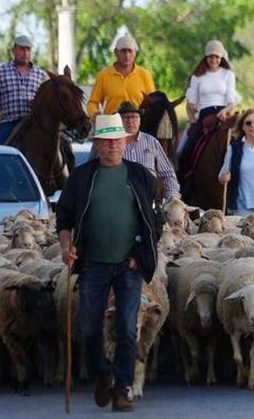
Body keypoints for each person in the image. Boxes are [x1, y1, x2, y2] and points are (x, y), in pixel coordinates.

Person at [55, 113, 157, 413]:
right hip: (93, 265)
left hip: (128, 265)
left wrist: (142, 255)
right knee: (89, 329)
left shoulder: (140, 176)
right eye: (106, 141)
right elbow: (64, 217)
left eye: (117, 140)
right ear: (97, 144)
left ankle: (123, 388)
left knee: (127, 329)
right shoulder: (81, 177)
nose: (112, 146)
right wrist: (66, 247)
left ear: (125, 142)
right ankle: (104, 373)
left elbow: (154, 220)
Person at [178, 40, 240, 175]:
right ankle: (185, 177)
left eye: (217, 57)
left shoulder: (228, 74)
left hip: (224, 114)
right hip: (205, 114)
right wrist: (192, 115)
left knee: (239, 137)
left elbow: (231, 101)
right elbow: (191, 102)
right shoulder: (197, 76)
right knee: (186, 146)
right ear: (206, 57)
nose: (214, 59)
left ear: (221, 58)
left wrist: (225, 111)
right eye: (211, 56)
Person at [0, 35, 48, 145]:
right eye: (22, 49)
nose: (25, 53)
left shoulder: (41, 74)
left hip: (34, 123)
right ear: (14, 50)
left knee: (61, 146)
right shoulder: (0, 72)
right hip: (9, 124)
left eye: (28, 49)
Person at [118, 101, 180, 201]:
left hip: (150, 196)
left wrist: (172, 197)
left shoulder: (151, 141)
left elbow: (168, 173)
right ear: (119, 121)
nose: (130, 121)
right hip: (122, 197)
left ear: (140, 120)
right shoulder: (113, 143)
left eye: (134, 117)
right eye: (126, 117)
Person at [87, 35, 156, 117]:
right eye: (123, 51)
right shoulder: (103, 76)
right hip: (112, 126)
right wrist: (95, 114)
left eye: (130, 51)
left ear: (135, 53)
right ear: (116, 52)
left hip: (138, 125)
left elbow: (153, 103)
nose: (127, 55)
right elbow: (92, 103)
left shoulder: (145, 75)